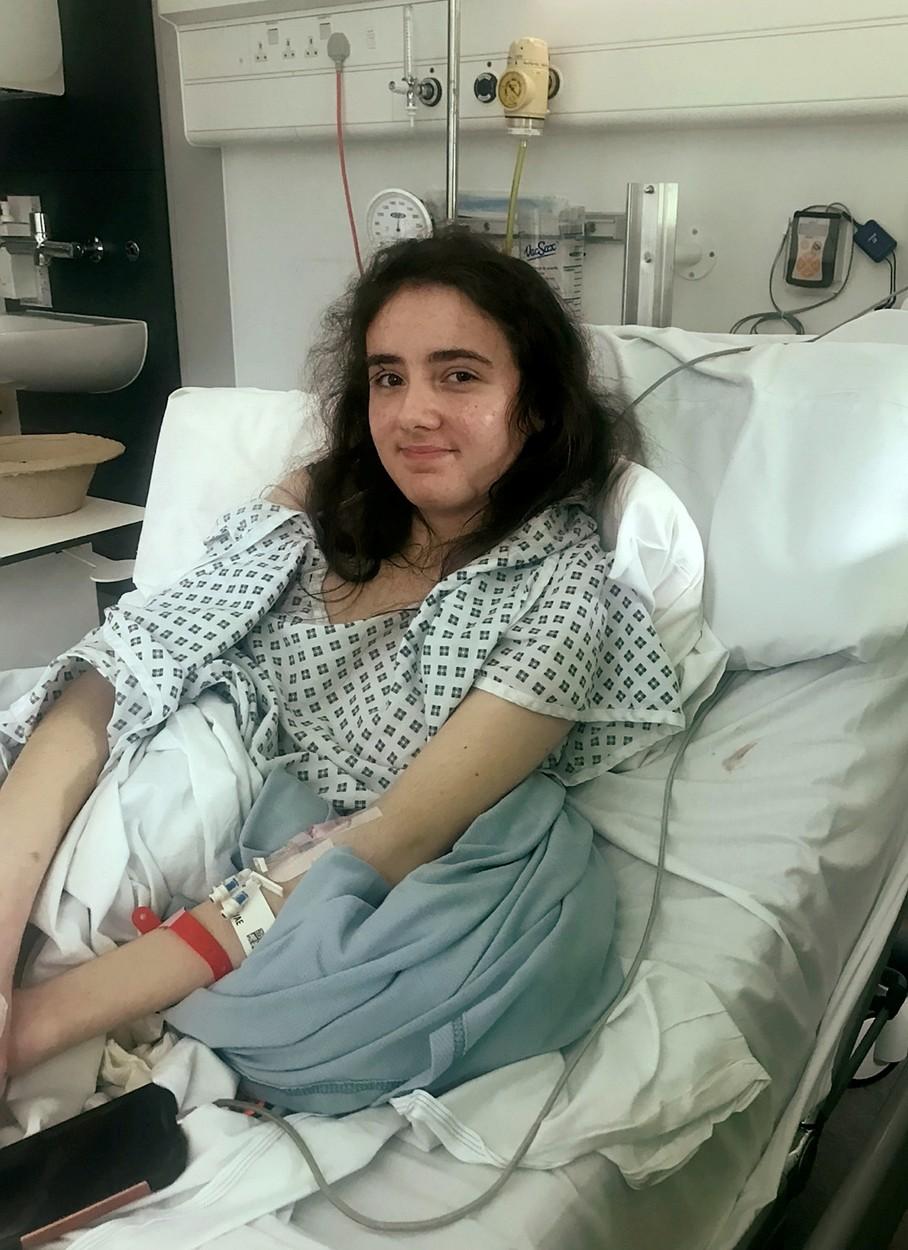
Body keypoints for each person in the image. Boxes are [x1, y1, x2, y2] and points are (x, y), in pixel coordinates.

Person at [0, 230, 683, 1103]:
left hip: (244, 873)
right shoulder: (317, 506)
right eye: (388, 377)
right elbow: (120, 670)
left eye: (459, 375)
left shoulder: (560, 602)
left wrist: (33, 1026)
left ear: (539, 404)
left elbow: (383, 840)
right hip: (110, 786)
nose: (412, 412)